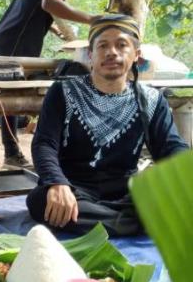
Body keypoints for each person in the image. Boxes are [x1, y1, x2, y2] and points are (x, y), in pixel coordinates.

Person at [27, 14, 188, 236]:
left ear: (136, 56)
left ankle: (103, 223)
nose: (112, 52)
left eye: (122, 45)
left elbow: (170, 147)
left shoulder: (151, 100)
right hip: (73, 190)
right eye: (103, 45)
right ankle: (131, 224)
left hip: (128, 193)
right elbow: (44, 144)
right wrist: (56, 183)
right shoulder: (62, 92)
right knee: (39, 201)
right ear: (91, 56)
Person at [0, 0, 98, 167]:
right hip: (17, 43)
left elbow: (31, 6)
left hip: (6, 37)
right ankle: (11, 153)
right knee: (11, 94)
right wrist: (93, 19)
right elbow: (50, 2)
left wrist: (51, 26)